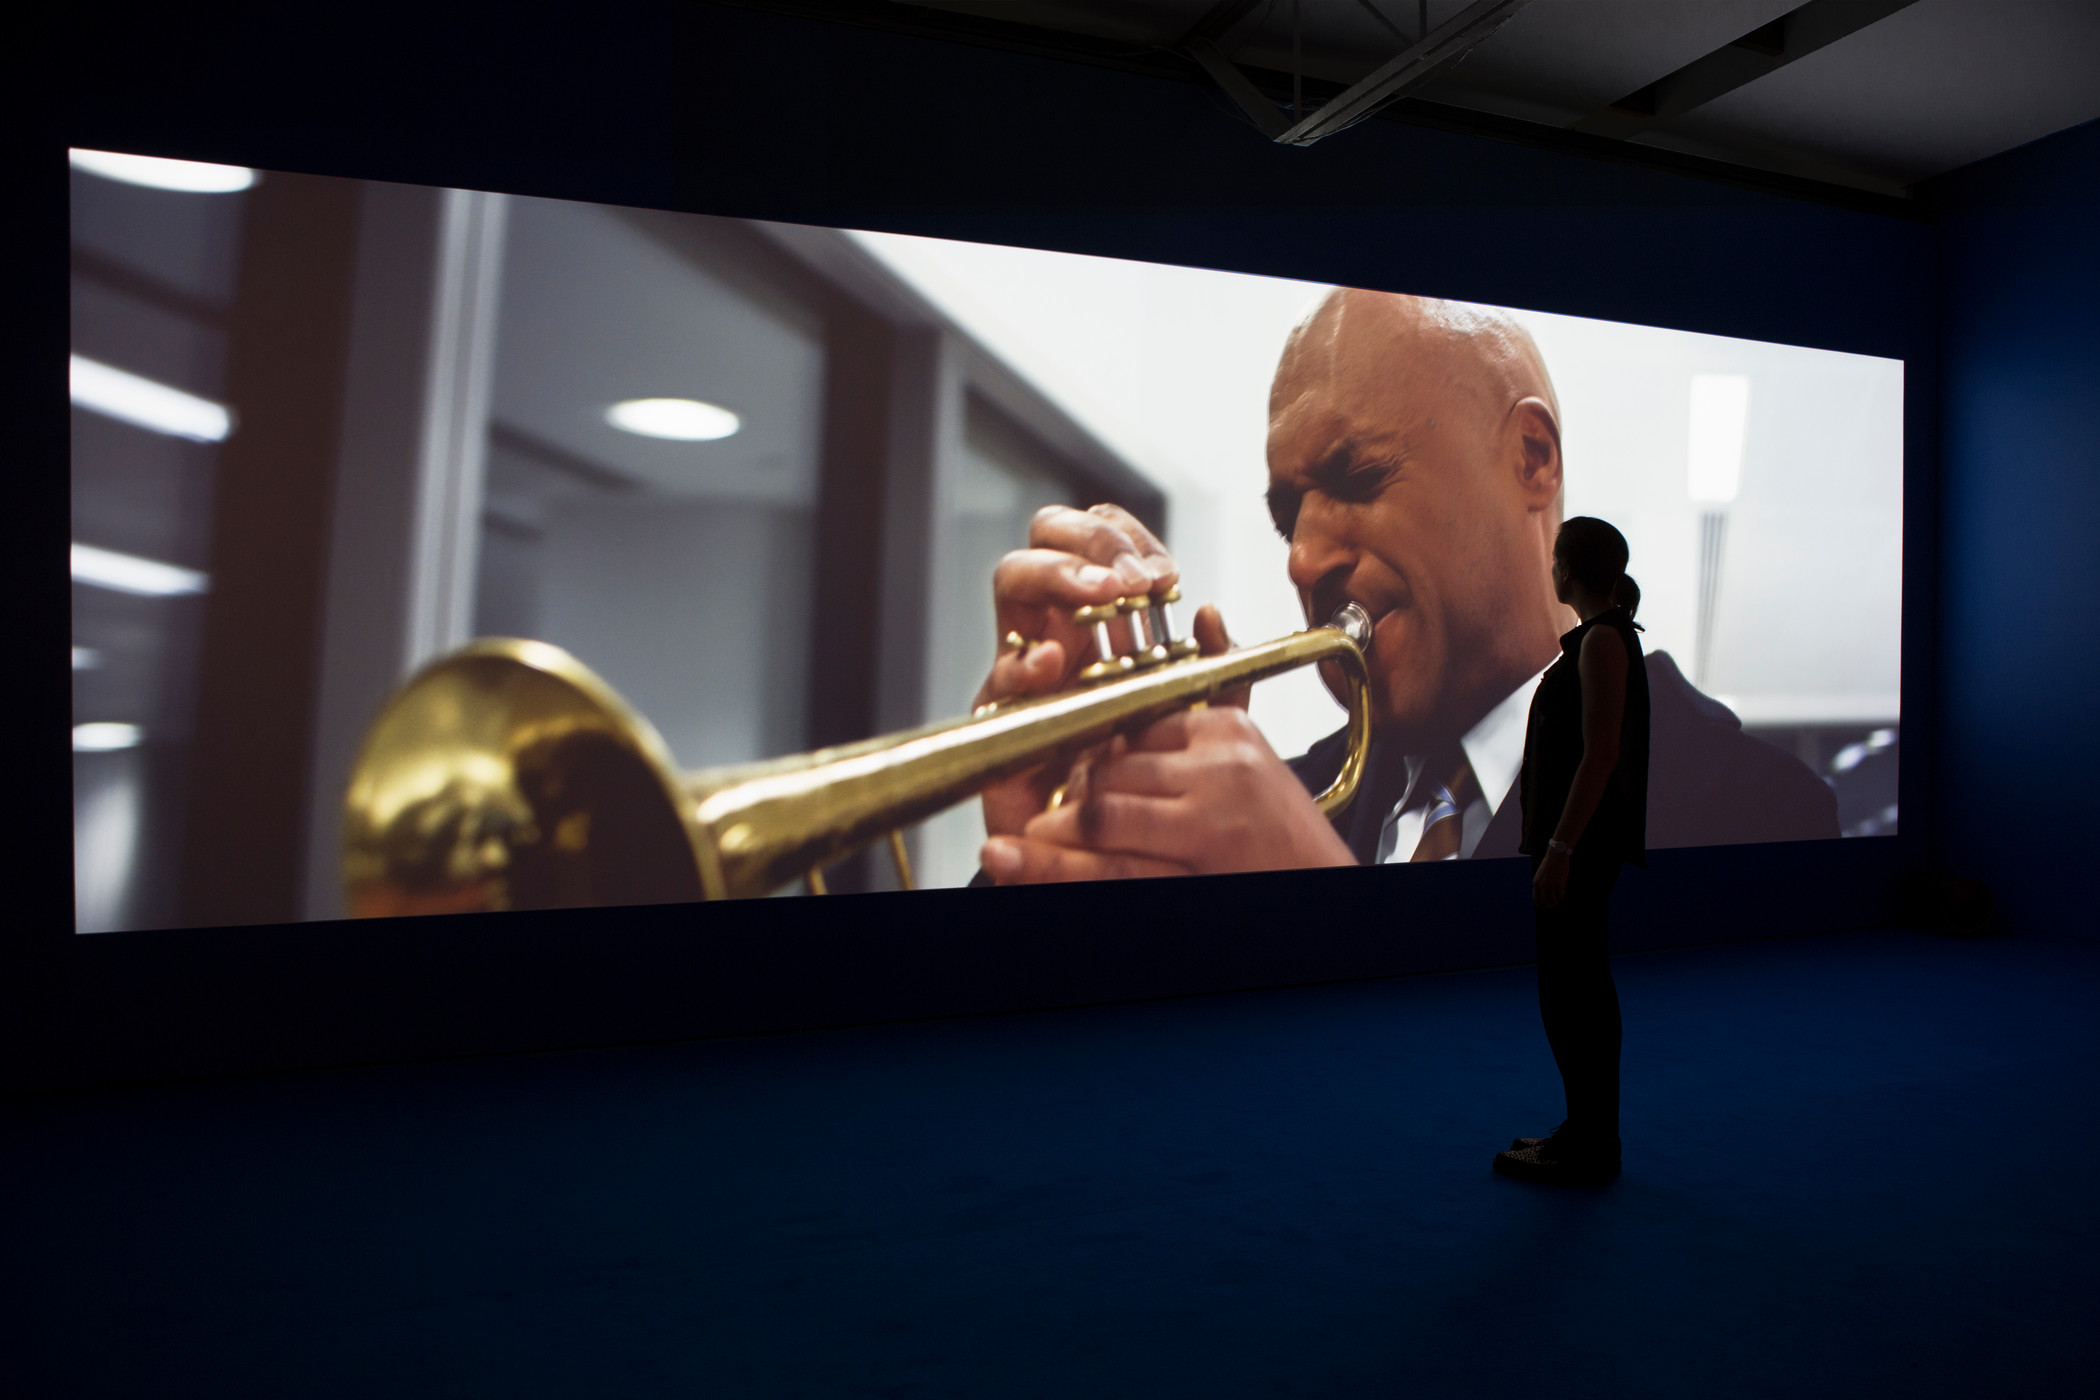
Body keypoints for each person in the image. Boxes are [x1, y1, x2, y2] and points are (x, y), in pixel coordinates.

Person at [972, 289, 1834, 887]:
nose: (1303, 560)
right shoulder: (1285, 801)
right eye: (1286, 517)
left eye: (1358, 478)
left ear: (1531, 460)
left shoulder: (1753, 809)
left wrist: (1316, 913)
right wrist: (1047, 842)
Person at [1491, 517, 1648, 1187]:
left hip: (1578, 848)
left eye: (1556, 558)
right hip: (1579, 845)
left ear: (1570, 570)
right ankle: (1586, 1130)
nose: (1549, 568)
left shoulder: (1602, 642)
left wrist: (1560, 847)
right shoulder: (1603, 638)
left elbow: (1601, 753)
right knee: (1577, 986)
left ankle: (1590, 1142)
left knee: (1571, 990)